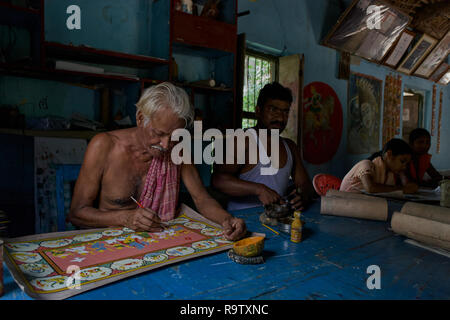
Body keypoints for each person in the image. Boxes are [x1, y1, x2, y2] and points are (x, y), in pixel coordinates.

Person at [68, 82, 246, 240]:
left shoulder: (178, 150)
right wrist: (125, 218)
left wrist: (227, 219)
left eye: (174, 136)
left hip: (158, 244)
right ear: (140, 119)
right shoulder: (104, 146)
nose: (166, 144)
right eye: (159, 134)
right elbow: (77, 213)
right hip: (111, 244)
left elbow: (202, 199)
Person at [211, 82, 314, 211]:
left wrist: (302, 195)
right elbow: (218, 180)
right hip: (242, 223)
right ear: (258, 111)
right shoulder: (243, 140)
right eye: (273, 110)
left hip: (276, 221)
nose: (280, 118)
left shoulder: (290, 147)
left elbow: (305, 185)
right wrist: (258, 189)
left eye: (285, 112)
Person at [340, 138, 418, 194]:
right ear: (389, 155)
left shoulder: (389, 174)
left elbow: (389, 190)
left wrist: (406, 184)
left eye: (406, 164)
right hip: (343, 206)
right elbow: (371, 188)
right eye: (402, 161)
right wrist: (403, 189)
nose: (405, 167)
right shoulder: (366, 165)